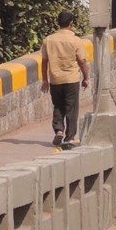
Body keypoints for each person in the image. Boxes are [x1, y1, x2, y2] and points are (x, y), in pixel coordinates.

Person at [39, 9, 90, 148]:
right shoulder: (75, 40)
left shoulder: (48, 40)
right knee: (71, 108)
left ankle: (59, 130)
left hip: (55, 79)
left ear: (58, 23)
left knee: (58, 106)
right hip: (71, 79)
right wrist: (86, 78)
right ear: (71, 24)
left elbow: (44, 61)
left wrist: (45, 80)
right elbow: (82, 61)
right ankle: (69, 137)